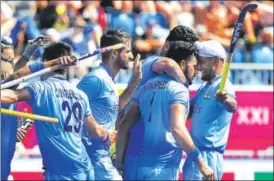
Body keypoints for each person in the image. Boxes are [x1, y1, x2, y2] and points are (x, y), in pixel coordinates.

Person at [1, 42, 110, 180]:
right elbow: (96, 132)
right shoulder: (80, 94)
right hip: (86, 169)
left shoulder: (40, 88)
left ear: (46, 62)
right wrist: (107, 136)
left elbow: (10, 94)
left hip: (61, 172)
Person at [116, 41, 215, 180]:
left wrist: (119, 164)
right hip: (161, 168)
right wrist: (202, 163)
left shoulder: (144, 87)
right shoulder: (179, 90)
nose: (197, 70)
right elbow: (177, 129)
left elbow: (125, 125)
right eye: (194, 65)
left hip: (134, 166)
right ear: (182, 64)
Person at [77, 29, 142, 180]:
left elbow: (113, 110)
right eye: (128, 51)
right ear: (114, 53)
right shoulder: (95, 79)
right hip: (90, 157)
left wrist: (134, 83)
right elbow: (71, 112)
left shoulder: (107, 79)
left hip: (101, 155)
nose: (131, 57)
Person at [183, 40, 237, 180]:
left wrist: (225, 99)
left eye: (202, 61)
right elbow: (187, 111)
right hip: (196, 155)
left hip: (208, 157)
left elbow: (232, 106)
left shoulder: (224, 86)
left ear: (215, 61)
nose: (198, 66)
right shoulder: (204, 87)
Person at [0, 35, 50, 180]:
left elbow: (13, 76)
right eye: (4, 58)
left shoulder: (10, 93)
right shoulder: (6, 90)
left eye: (11, 58)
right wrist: (29, 54)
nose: (9, 62)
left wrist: (13, 132)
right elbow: (14, 77)